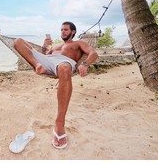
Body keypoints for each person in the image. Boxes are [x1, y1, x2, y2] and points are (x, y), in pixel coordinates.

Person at [14, 21, 98, 149]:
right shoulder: (55, 46)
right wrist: (44, 47)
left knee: (64, 69)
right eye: (61, 30)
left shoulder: (78, 43)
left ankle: (59, 123)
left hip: (64, 63)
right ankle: (38, 66)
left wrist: (85, 64)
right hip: (46, 62)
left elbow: (93, 53)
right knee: (18, 41)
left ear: (73, 32)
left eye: (65, 30)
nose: (62, 32)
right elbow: (44, 55)